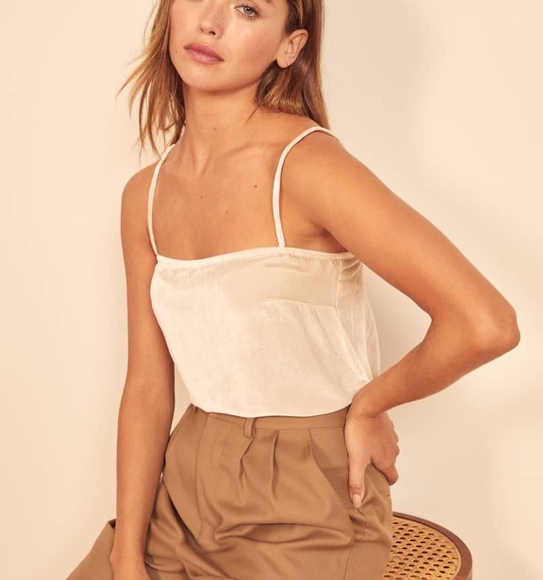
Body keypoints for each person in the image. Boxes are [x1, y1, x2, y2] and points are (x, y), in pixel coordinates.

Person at [82, 0, 520, 578]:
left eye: (248, 9)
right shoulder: (145, 195)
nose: (211, 21)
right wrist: (126, 554)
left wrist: (371, 403)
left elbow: (485, 323)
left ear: (289, 47)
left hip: (308, 505)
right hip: (184, 494)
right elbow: (146, 388)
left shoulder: (308, 166)